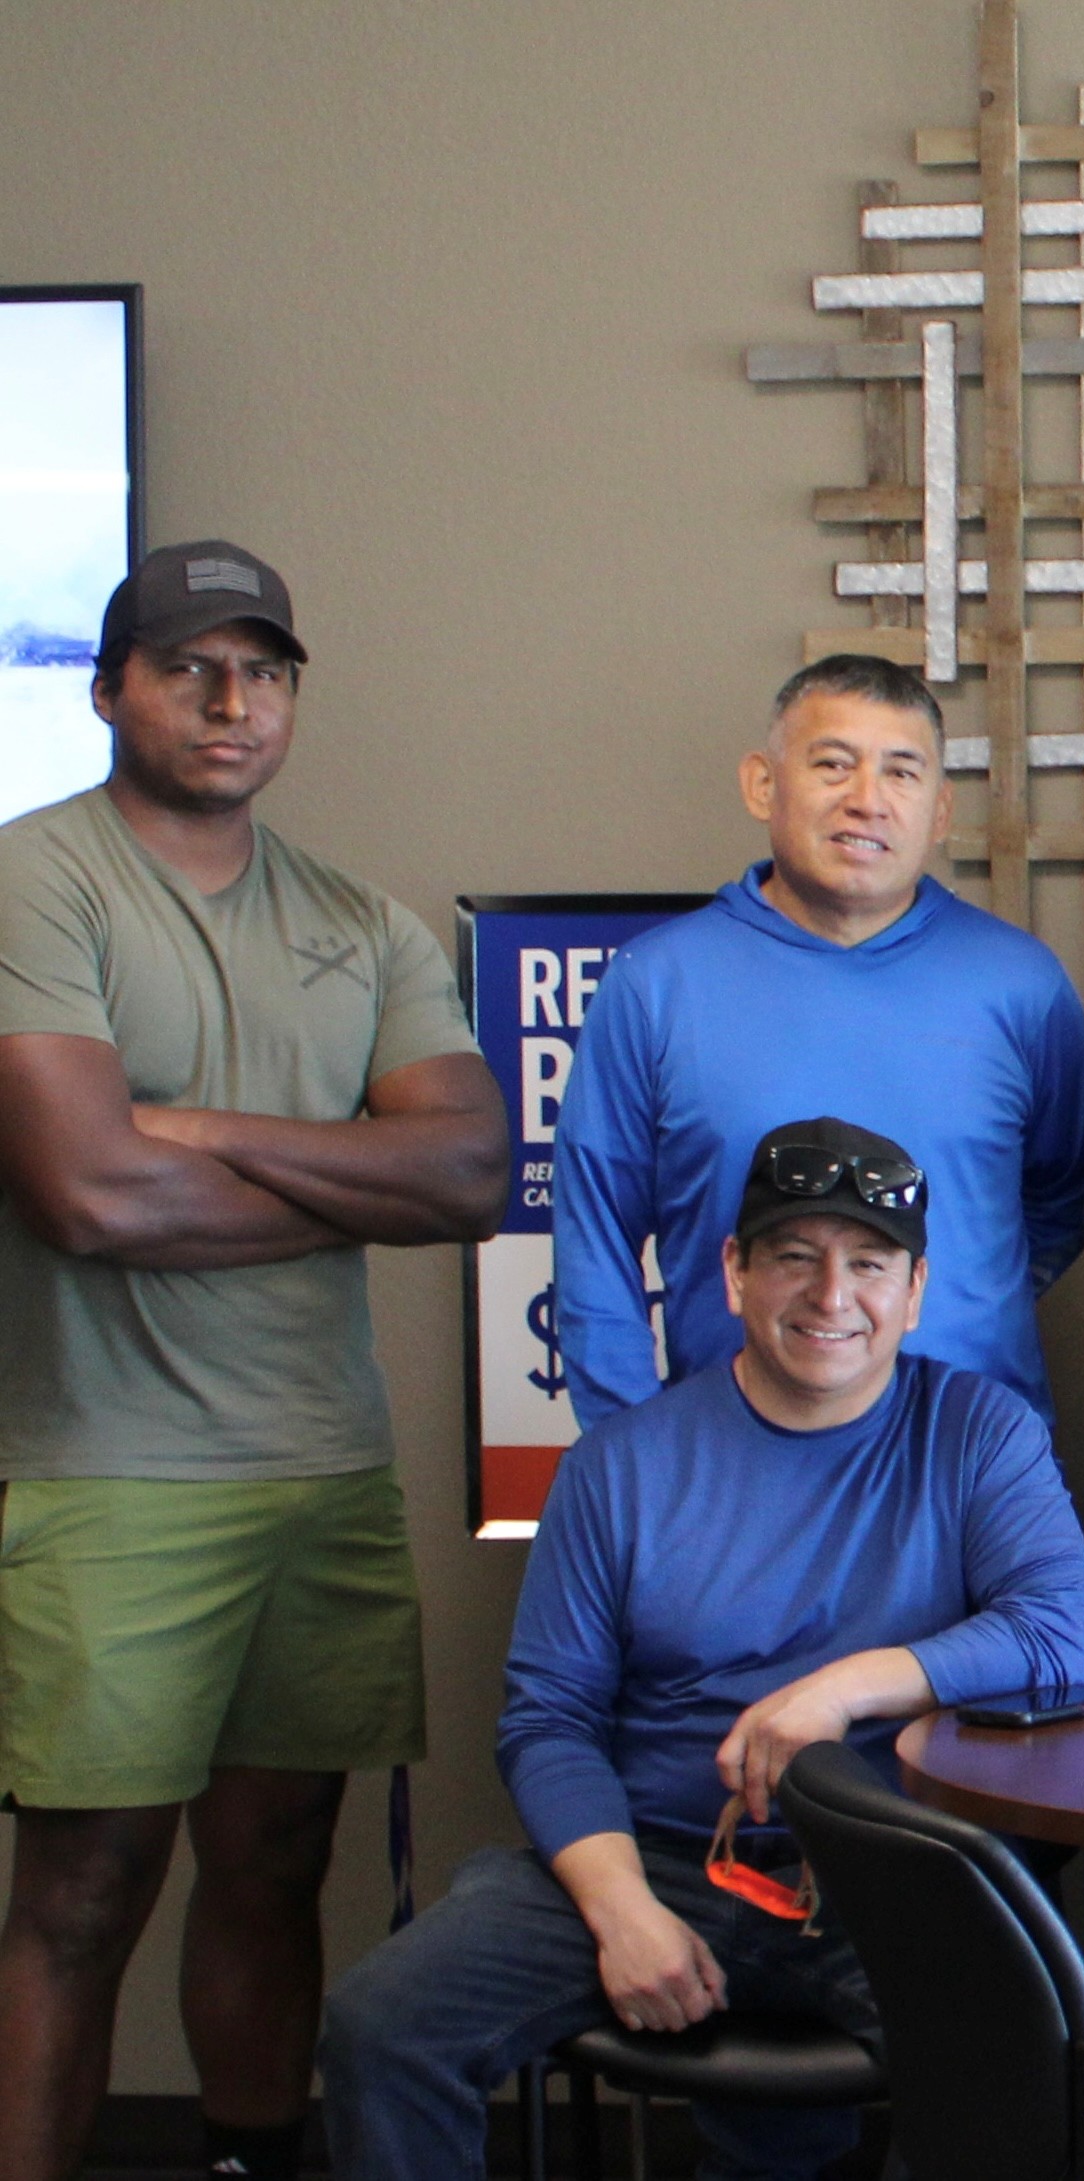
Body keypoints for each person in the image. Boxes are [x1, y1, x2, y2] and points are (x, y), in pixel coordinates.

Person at [0, 540, 509, 2181]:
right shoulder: (36, 882)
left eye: (265, 671)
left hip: (321, 1468)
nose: (233, 702)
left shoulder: (354, 921)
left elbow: (470, 1178)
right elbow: (85, 1194)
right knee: (79, 1898)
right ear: (108, 687)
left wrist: (198, 1131)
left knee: (282, 1865)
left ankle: (250, 2163)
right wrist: (341, 1173)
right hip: (105, 1475)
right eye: (190, 666)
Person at [318, 1117, 1084, 2179]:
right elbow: (547, 1721)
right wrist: (623, 1908)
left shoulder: (977, 1432)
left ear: (914, 1292)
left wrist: (840, 1693)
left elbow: (1059, 1637)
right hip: (658, 1858)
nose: (832, 1297)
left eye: (868, 1265)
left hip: (896, 1873)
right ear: (732, 1273)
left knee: (1012, 2054)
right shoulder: (621, 1465)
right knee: (380, 2022)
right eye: (792, 1257)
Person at [552, 651, 1084, 1423]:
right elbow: (594, 1244)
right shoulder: (655, 985)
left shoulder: (1022, 985)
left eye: (902, 773)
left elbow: (1064, 1196)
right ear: (762, 784)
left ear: (940, 811)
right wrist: (637, 1461)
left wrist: (960, 1298)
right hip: (727, 1475)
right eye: (833, 764)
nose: (867, 800)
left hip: (972, 1477)